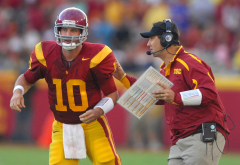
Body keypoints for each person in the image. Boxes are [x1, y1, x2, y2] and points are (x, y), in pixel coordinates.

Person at [10, 7, 122, 165]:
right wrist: (17, 92)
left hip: (92, 124)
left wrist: (98, 110)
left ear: (83, 32)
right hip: (62, 126)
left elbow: (112, 94)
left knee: (107, 162)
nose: (68, 34)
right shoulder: (46, 53)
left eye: (73, 30)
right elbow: (26, 78)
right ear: (58, 30)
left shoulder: (96, 56)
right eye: (64, 29)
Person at [113, 19, 230, 165]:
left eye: (151, 38)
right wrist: (123, 77)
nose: (148, 43)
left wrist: (176, 96)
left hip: (201, 132)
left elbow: (209, 93)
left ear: (166, 39)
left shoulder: (190, 62)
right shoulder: (165, 68)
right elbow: (157, 95)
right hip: (180, 137)